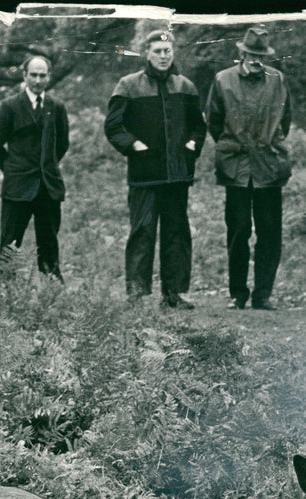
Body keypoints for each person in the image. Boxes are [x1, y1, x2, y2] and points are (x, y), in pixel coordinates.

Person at [104, 29, 206, 309]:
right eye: (157, 51)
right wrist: (134, 145)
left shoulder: (185, 86)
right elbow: (113, 126)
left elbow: (199, 126)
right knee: (142, 232)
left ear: (173, 52)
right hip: (144, 177)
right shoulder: (128, 85)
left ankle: (174, 294)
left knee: (177, 233)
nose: (163, 56)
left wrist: (190, 149)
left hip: (177, 176)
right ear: (146, 53)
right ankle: (136, 294)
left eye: (167, 51)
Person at [205, 26, 292, 311]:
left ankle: (262, 293)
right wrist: (233, 145)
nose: (255, 59)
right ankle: (237, 293)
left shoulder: (277, 80)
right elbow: (214, 122)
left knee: (269, 232)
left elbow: (285, 121)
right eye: (251, 54)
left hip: (269, 167)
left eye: (260, 55)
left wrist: (269, 144)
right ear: (241, 53)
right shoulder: (223, 80)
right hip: (236, 168)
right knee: (238, 230)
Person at [0, 55, 70, 282]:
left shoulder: (57, 108)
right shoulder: (10, 106)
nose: (38, 80)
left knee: (49, 243)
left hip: (48, 187)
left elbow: (62, 144)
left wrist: (47, 166)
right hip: (18, 187)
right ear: (24, 76)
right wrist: (12, 168)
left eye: (43, 75)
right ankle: (5, 292)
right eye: (33, 75)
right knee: (10, 242)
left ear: (49, 77)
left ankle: (51, 293)